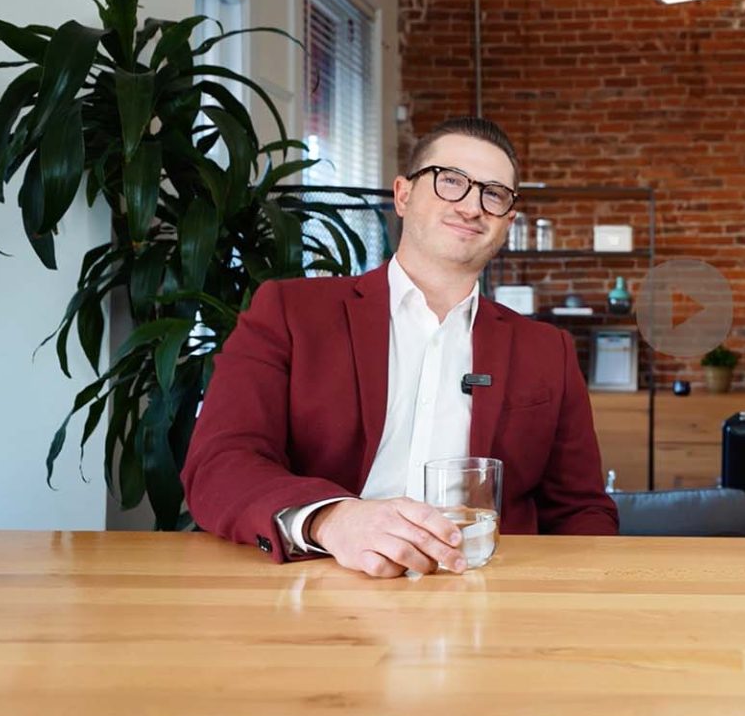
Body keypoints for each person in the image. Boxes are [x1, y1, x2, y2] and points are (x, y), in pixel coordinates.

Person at [184, 116, 618, 578]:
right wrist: (331, 519)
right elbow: (219, 463)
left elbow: (582, 511)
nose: (472, 207)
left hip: (487, 590)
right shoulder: (290, 313)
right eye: (451, 181)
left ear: (507, 222)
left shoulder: (548, 350)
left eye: (493, 194)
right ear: (403, 195)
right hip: (321, 582)